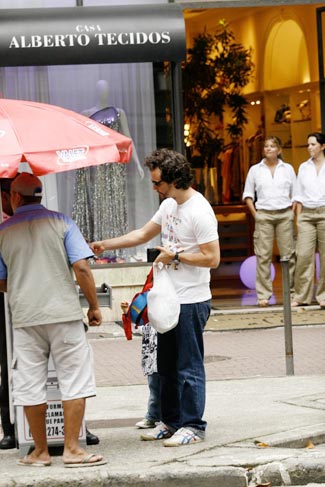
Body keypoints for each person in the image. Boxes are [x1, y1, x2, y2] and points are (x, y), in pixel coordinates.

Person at [91, 148, 220, 447]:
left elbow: (212, 258)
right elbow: (142, 234)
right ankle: (171, 422)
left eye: (158, 182)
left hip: (191, 299)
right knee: (166, 365)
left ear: (174, 179)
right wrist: (105, 245)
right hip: (168, 298)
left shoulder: (199, 211)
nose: (155, 188)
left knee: (189, 365)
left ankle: (193, 426)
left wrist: (176, 255)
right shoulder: (170, 206)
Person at [0, 172, 106, 467]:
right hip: (64, 313)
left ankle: (40, 451)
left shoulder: (3, 231)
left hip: (26, 316)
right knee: (74, 378)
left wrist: (23, 283)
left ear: (16, 197)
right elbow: (82, 268)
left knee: (30, 382)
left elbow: (1, 281)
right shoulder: (62, 222)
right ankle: (72, 449)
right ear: (40, 195)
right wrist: (94, 306)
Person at [73, 79, 144, 247]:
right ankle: (98, 243)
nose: (103, 91)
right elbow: (80, 139)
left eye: (105, 89)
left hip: (114, 164)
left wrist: (138, 163)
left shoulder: (118, 113)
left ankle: (114, 247)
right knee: (97, 202)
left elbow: (127, 139)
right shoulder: (86, 113)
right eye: (100, 89)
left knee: (114, 202)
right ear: (96, 91)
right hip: (96, 163)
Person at [242, 136, 296, 307]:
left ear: (279, 150)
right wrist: (256, 214)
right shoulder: (255, 170)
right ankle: (263, 295)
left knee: (288, 255)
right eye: (266, 146)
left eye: (272, 146)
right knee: (263, 255)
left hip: (284, 214)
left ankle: (291, 293)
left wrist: (292, 213)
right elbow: (248, 195)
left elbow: (296, 194)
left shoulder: (287, 168)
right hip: (264, 215)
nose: (268, 149)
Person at [291, 132, 325, 308]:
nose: (310, 148)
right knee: (303, 255)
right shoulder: (304, 167)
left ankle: (323, 295)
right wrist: (298, 218)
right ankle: (301, 296)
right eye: (308, 145)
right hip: (306, 214)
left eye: (313, 144)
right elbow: (298, 194)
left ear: (322, 146)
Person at [121, 301, 161, 429]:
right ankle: (153, 416)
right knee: (154, 388)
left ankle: (169, 416)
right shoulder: (147, 320)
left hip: (164, 357)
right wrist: (127, 312)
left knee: (169, 387)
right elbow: (135, 327)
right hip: (151, 359)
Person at [0, 177, 17, 449]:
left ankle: (75, 426)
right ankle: (10, 427)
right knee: (7, 362)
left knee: (58, 367)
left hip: (38, 298)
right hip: (4, 301)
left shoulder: (39, 219)